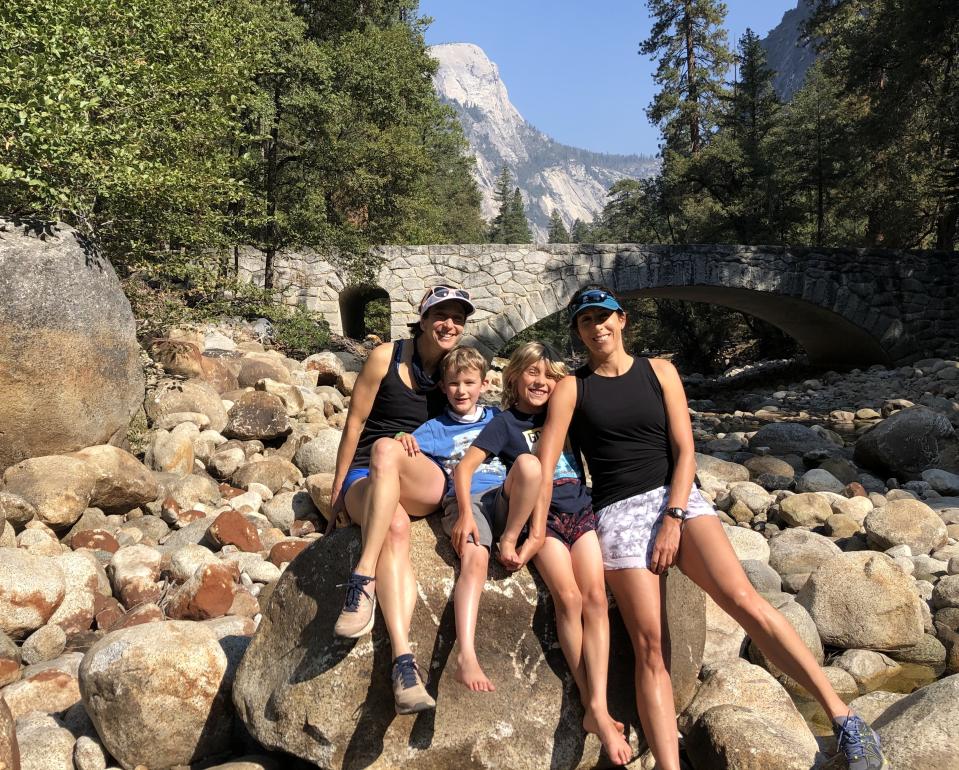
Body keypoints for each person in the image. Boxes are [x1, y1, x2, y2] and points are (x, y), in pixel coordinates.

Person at [534, 286, 887, 770]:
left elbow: (685, 451)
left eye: (604, 317)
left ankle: (845, 719)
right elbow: (545, 458)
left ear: (622, 320)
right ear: (577, 331)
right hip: (616, 513)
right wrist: (526, 523)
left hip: (675, 498)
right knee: (649, 648)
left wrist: (674, 520)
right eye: (585, 321)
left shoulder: (659, 371)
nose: (597, 327)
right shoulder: (574, 388)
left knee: (746, 601)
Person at [452, 342, 632, 766]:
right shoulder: (506, 424)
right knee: (567, 598)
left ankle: (598, 705)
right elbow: (465, 468)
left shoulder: (565, 416)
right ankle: (596, 710)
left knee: (596, 602)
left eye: (550, 376)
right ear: (513, 379)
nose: (542, 382)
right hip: (542, 520)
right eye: (532, 374)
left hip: (580, 512)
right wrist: (465, 513)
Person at [329, 285, 474, 715]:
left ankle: (361, 576)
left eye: (458, 319)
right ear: (423, 318)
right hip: (366, 475)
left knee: (388, 450)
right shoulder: (384, 357)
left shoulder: (455, 369)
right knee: (392, 524)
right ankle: (404, 665)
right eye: (441, 315)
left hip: (419, 477)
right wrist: (338, 492)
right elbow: (354, 422)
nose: (450, 325)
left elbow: (480, 413)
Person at [406, 346, 507, 693]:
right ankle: (466, 653)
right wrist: (402, 439)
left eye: (469, 382)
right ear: (443, 388)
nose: (461, 391)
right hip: (466, 500)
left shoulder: (498, 418)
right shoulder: (435, 429)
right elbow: (407, 451)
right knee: (476, 557)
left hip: (505, 497)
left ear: (484, 383)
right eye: (453, 384)